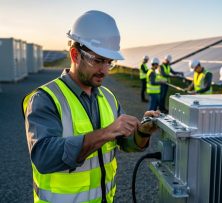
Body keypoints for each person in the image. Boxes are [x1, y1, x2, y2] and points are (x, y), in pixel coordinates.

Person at [22, 10, 160, 203]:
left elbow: (125, 143)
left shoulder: (108, 98)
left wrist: (143, 132)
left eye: (109, 62)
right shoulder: (45, 99)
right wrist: (105, 132)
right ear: (75, 54)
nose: (104, 70)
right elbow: (44, 157)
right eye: (98, 60)